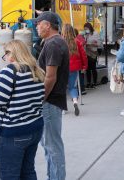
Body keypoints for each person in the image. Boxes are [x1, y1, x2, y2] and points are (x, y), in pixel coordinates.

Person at [0, 40, 45, 180]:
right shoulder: (37, 71)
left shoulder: (10, 72)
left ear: (13, 53)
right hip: (34, 128)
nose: (5, 58)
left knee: (9, 175)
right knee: (28, 171)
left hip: (13, 133)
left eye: (6, 53)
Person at [35, 11, 69, 180]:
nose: (36, 27)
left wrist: (41, 98)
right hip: (53, 101)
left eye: (38, 24)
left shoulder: (53, 44)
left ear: (47, 25)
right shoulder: (55, 42)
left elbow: (50, 76)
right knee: (50, 145)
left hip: (50, 102)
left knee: (52, 145)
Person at [62, 24, 88, 116]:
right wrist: (84, 66)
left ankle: (63, 109)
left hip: (63, 69)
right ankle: (75, 102)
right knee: (72, 87)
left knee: (62, 87)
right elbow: (83, 55)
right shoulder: (77, 41)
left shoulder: (61, 42)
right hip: (74, 68)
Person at [84, 22, 100, 89]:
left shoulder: (95, 33)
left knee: (93, 68)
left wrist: (91, 45)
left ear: (90, 28)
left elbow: (98, 44)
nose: (86, 30)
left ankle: (94, 82)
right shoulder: (85, 35)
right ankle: (88, 82)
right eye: (85, 29)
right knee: (87, 68)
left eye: (86, 28)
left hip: (93, 52)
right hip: (87, 52)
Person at [74, 28, 87, 94]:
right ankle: (82, 89)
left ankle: (80, 89)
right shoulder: (79, 39)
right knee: (80, 76)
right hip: (79, 62)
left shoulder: (75, 40)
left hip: (77, 63)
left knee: (77, 77)